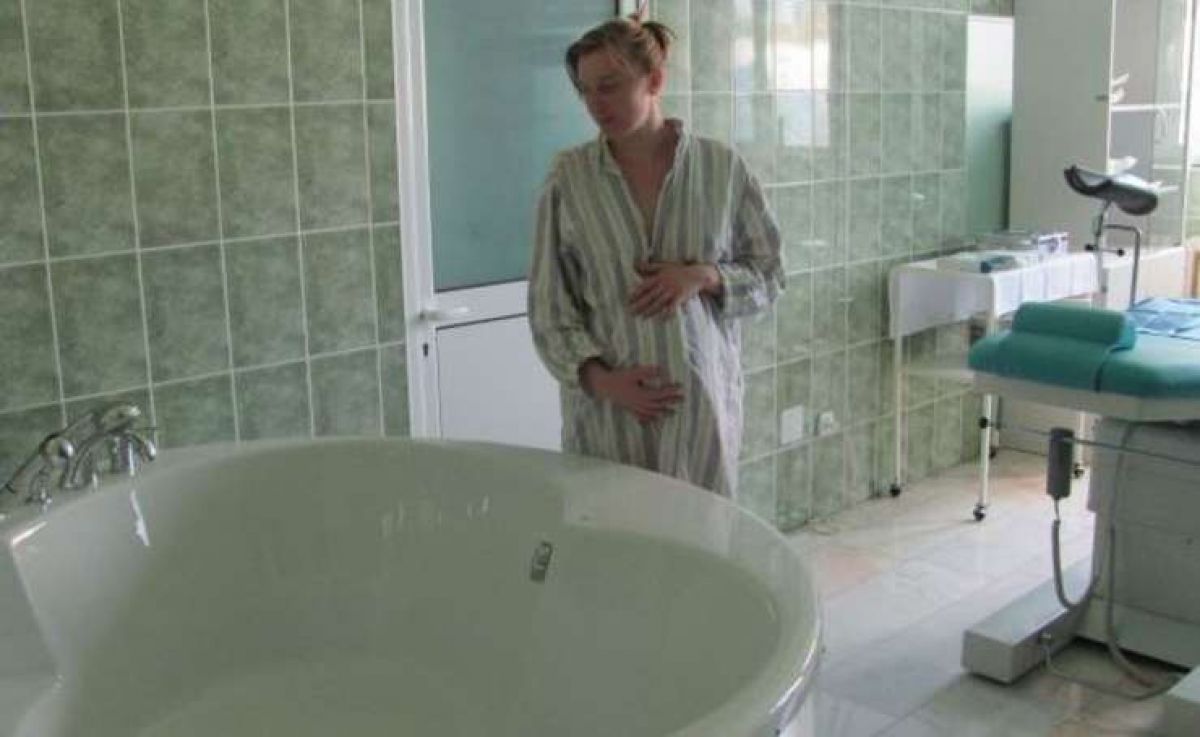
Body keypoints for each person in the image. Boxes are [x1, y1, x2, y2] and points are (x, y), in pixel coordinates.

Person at [528, 15, 783, 498]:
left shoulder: (720, 169)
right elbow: (549, 311)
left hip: (700, 418)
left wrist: (704, 276)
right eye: (585, 90)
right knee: (612, 538)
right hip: (607, 423)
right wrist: (607, 384)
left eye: (610, 85)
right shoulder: (568, 180)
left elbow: (770, 275)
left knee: (701, 539)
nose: (596, 104)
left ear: (655, 80)